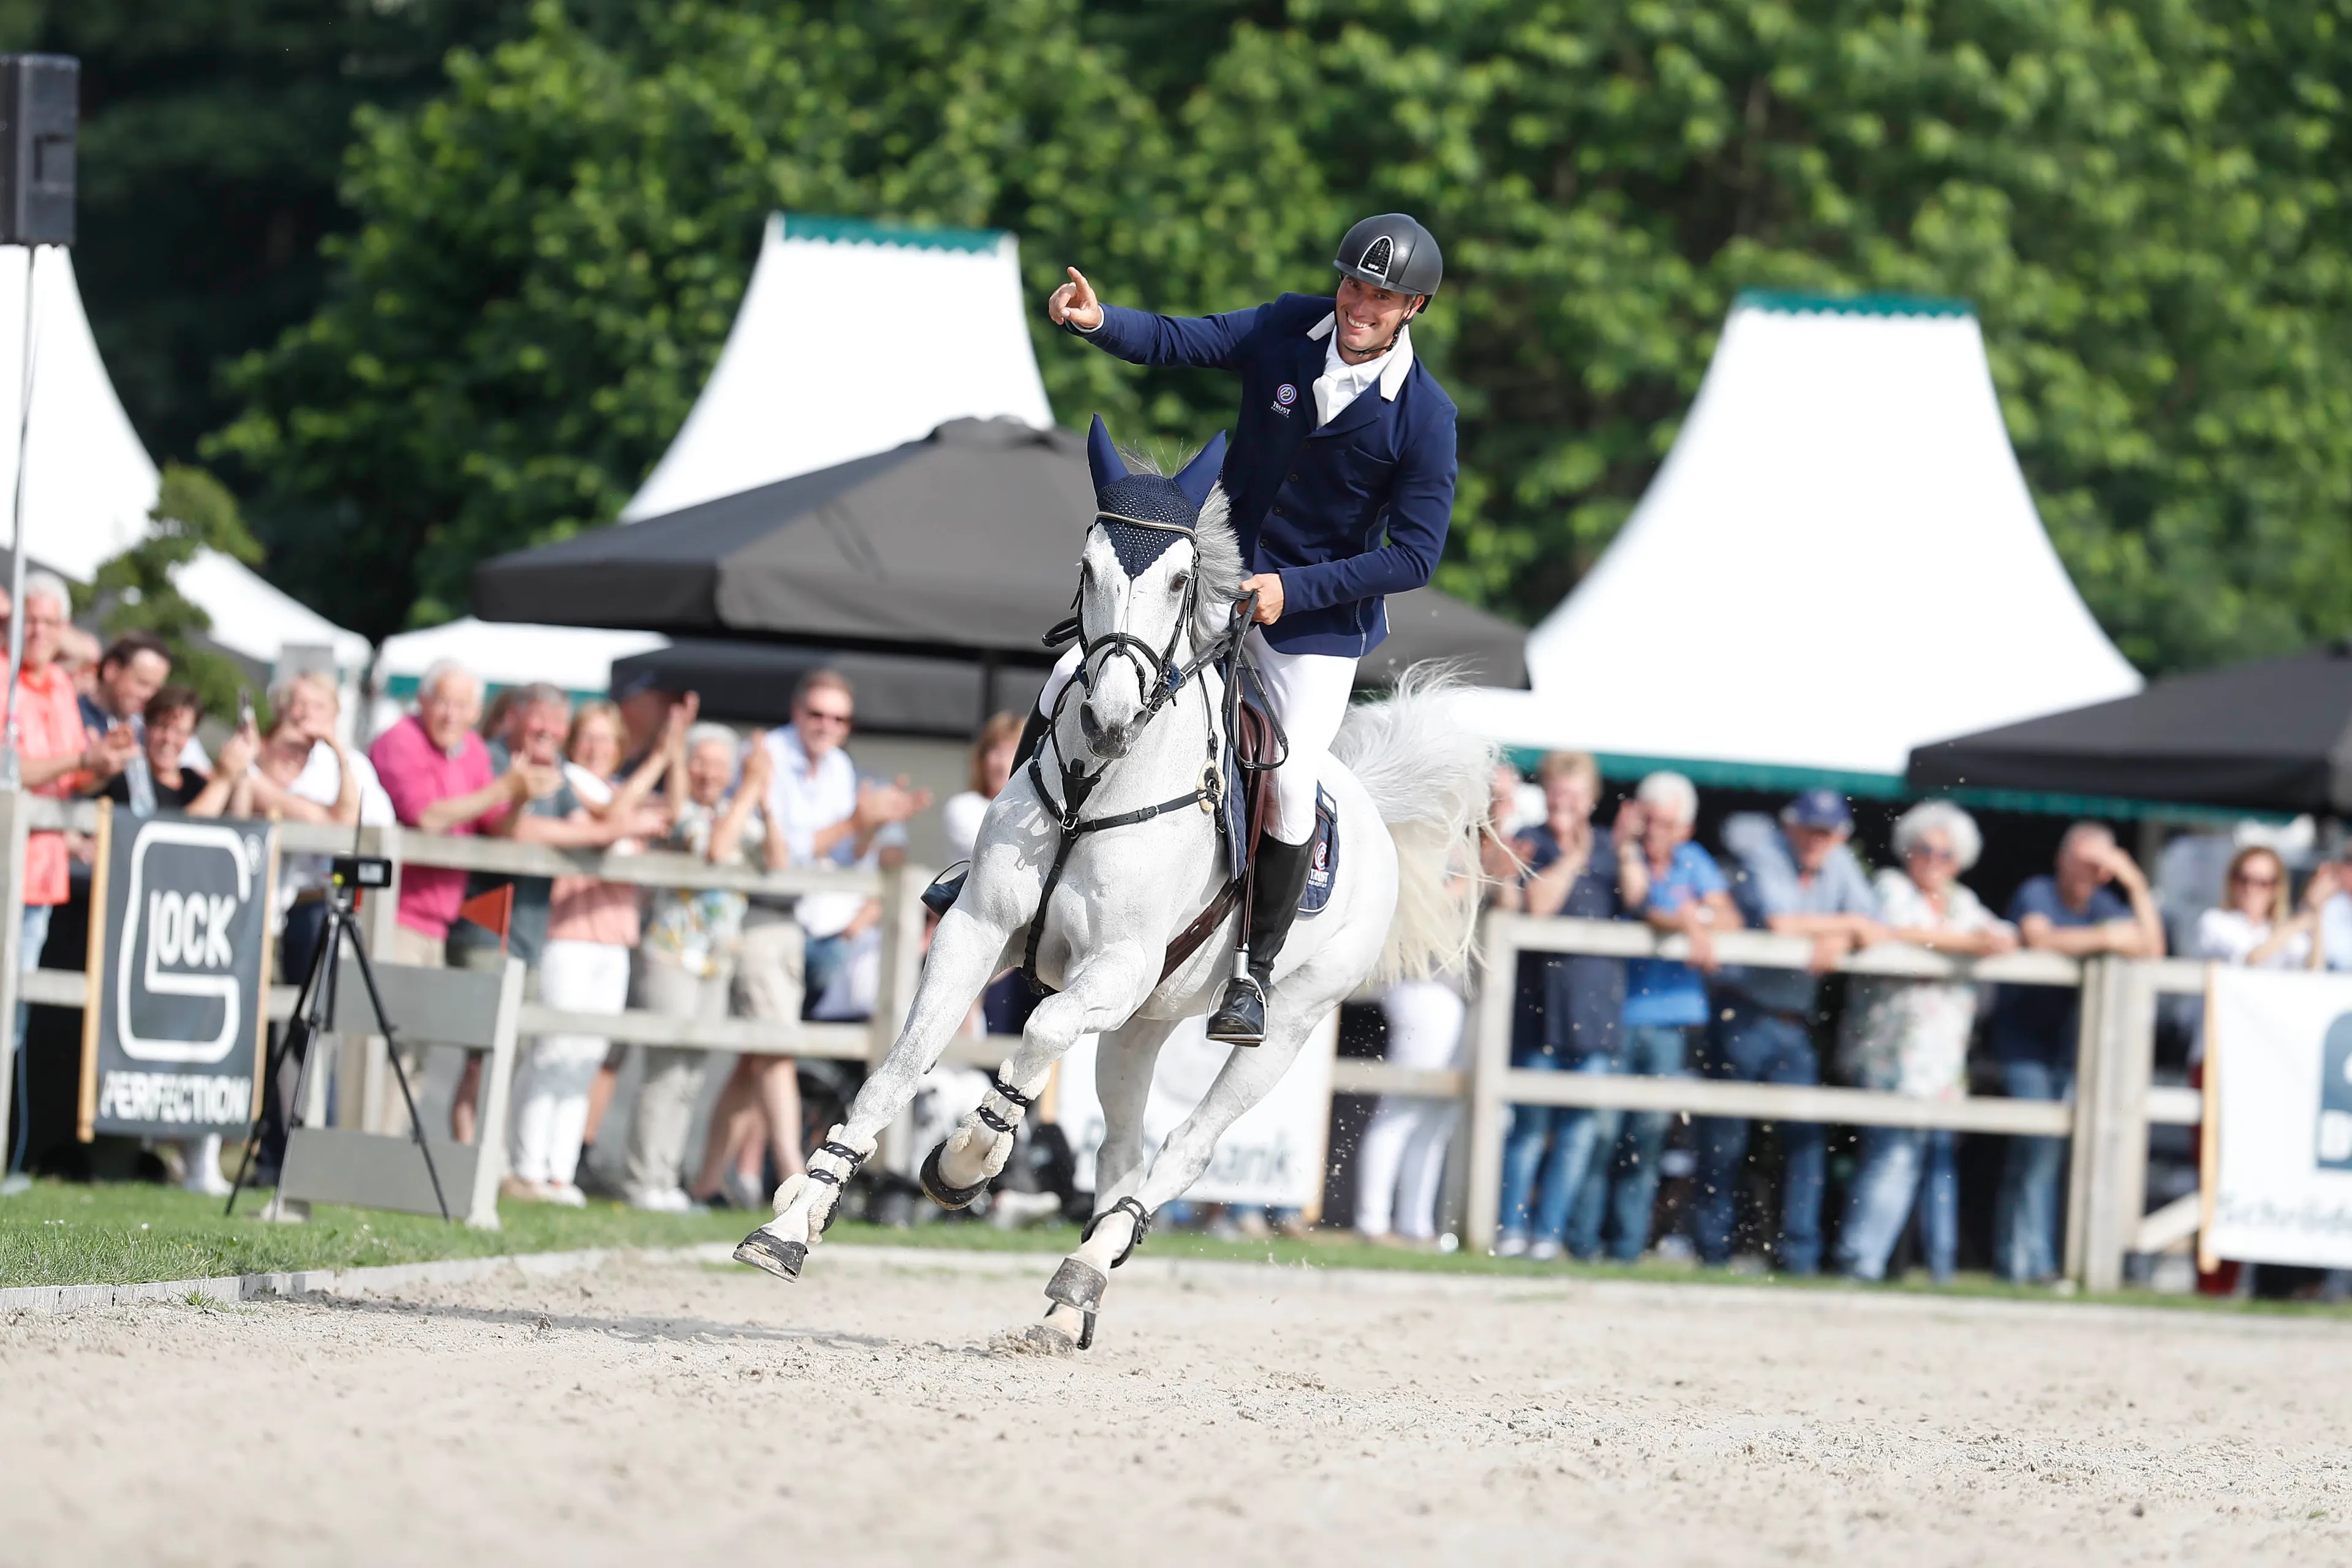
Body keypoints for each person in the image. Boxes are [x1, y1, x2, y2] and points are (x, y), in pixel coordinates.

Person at [1044, 213, 1457, 1044]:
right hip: (1217, 579)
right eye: (1352, 285)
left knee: (1294, 780)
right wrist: (1101, 323)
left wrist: (1294, 589)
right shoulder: (1284, 326)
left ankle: (1253, 974)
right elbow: (1180, 341)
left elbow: (1414, 556)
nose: (1358, 305)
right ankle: (1012, 867)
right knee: (1087, 678)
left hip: (1315, 626)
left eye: (1380, 298)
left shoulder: (1423, 416)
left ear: (1412, 308)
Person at [708, 671, 926, 1204]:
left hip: (812, 930)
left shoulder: (840, 768)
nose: (826, 726)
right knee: (774, 1050)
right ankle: (791, 1176)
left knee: (758, 1058)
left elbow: (844, 855)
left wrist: (869, 825)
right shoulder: (765, 753)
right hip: (765, 916)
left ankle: (707, 1181)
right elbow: (786, 855)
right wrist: (856, 821)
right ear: (796, 711)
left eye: (838, 718)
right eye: (817, 714)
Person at [444, 683, 665, 1145]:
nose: (547, 729)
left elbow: (591, 827)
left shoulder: (557, 771)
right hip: (486, 922)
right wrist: (625, 825)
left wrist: (662, 762)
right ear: (516, 716)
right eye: (539, 717)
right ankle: (469, 1156)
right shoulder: (493, 759)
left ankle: (486, 1157)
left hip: (526, 930)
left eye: (556, 721)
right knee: (483, 1051)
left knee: (511, 1048)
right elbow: (521, 830)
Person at [365, 662, 562, 1134]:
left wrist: (516, 798)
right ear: (424, 701)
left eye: (462, 706)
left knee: (416, 1045)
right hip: (393, 913)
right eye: (443, 702)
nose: (451, 714)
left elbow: (495, 827)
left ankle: (387, 1150)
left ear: (476, 712)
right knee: (381, 1041)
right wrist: (503, 787)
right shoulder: (401, 741)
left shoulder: (470, 751)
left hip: (437, 919)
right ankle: (367, 1146)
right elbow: (428, 817)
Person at [1698, 788, 1885, 1276]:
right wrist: (1846, 926)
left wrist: (1839, 934)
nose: (1817, 841)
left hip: (1791, 1023)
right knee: (1726, 1138)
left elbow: (1877, 927)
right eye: (1810, 829)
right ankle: (1712, 1250)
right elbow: (1783, 924)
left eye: (1826, 832)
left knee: (1805, 1140)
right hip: (1744, 1013)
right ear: (1792, 826)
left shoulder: (1839, 861)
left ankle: (1799, 1256)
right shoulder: (1767, 852)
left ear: (1839, 835)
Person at [1833, 802, 2016, 1283]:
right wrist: (1970, 943)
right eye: (1925, 850)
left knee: (1922, 1160)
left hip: (1942, 1057)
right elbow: (1900, 932)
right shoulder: (1892, 887)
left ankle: (1924, 1265)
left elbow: (2004, 936)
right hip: (1891, 1049)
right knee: (1892, 1155)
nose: (1934, 860)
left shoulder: (1962, 902)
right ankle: (1861, 1258)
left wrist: (1977, 940)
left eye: (1945, 854)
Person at [508, 699, 676, 1205]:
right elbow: (609, 823)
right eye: (589, 737)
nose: (597, 748)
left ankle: (560, 1172)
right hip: (569, 932)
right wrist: (656, 763)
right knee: (555, 1049)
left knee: (587, 1055)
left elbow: (665, 815)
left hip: (614, 937)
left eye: (607, 739)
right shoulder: (565, 782)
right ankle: (527, 1168)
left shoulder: (617, 791)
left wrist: (671, 754)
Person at [1986, 823, 2165, 1283]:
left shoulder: (2104, 902)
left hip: (2069, 1048)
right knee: (2038, 1148)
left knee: (2044, 1154)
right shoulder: (2038, 891)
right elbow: (2040, 938)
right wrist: (2107, 938)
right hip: (2023, 1039)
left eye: (2100, 864)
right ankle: (2034, 1263)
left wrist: (2135, 883)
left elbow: (2153, 949)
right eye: (2084, 860)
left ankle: (2018, 1262)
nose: (2091, 872)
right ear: (2062, 859)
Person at [1575, 771, 1737, 1262]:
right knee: (1600, 1133)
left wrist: (1697, 920)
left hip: (1670, 1020)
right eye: (1651, 820)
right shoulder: (1617, 854)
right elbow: (1644, 904)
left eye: (1667, 822)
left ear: (1685, 828)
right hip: (1617, 1013)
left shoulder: (1694, 861)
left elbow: (1729, 916)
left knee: (1645, 1139)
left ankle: (1625, 1247)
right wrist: (1690, 917)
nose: (1657, 830)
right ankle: (1582, 1243)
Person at [1493, 752, 1644, 1260]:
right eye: (1558, 793)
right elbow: (1538, 905)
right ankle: (1512, 1230)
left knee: (1579, 1134)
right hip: (1542, 1009)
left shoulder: (1611, 847)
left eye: (1576, 796)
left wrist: (1627, 850)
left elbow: (1641, 902)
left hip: (1597, 1010)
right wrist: (1573, 858)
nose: (1565, 804)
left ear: (1593, 799)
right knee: (1530, 1129)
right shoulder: (1532, 841)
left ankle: (1549, 1236)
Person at [625, 723, 769, 1211]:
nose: (710, 772)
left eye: (720, 764)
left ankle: (666, 1178)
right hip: (671, 953)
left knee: (691, 1077)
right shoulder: (678, 811)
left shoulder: (742, 813)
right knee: (665, 1071)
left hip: (716, 960)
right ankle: (643, 1179)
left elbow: (777, 857)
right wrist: (751, 786)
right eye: (700, 761)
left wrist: (762, 796)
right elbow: (712, 848)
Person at [77, 631, 173, 817]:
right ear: (111, 671)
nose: (150, 696)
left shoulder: (141, 730)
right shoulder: (73, 715)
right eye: (143, 683)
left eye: (156, 688)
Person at [2195, 845, 2327, 971]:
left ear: (2276, 889)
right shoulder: (2214, 921)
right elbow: (2250, 960)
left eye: (2262, 883)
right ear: (2231, 881)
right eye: (2244, 879)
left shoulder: (2281, 932)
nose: (2251, 889)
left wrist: (2315, 909)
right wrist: (2298, 923)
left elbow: (2314, 972)